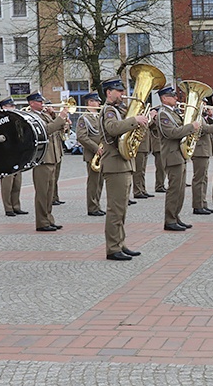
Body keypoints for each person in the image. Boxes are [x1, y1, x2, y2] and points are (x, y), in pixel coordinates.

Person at [99, 77, 151, 260]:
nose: (123, 94)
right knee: (115, 209)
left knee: (122, 209)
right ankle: (113, 248)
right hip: (114, 165)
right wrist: (134, 120)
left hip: (123, 164)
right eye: (119, 91)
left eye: (122, 90)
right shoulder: (109, 111)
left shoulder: (119, 110)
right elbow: (112, 129)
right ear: (109, 92)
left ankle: (120, 243)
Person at [153, 84, 201, 231]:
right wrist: (192, 127)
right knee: (174, 189)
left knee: (180, 190)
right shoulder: (163, 114)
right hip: (172, 156)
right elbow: (172, 133)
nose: (176, 98)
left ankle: (176, 216)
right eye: (172, 96)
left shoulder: (172, 113)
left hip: (179, 154)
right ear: (164, 98)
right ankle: (169, 220)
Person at [28, 91, 69, 232]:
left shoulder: (44, 114)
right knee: (42, 192)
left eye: (42, 101)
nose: (42, 103)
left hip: (53, 156)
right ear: (31, 103)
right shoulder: (32, 116)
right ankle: (41, 222)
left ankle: (49, 218)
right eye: (39, 101)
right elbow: (45, 130)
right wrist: (60, 117)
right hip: (43, 158)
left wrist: (56, 117)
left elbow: (57, 129)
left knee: (50, 192)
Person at [76, 92, 105, 216]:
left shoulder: (99, 116)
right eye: (96, 101)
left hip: (102, 153)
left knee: (100, 181)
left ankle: (97, 204)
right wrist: (95, 148)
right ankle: (92, 207)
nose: (98, 103)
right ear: (89, 103)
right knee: (93, 182)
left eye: (98, 101)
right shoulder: (84, 118)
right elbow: (81, 136)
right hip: (92, 153)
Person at [0, 97, 27, 217]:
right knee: (7, 184)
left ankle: (16, 206)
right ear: (4, 107)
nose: (13, 108)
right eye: (10, 106)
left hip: (16, 154)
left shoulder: (15, 119)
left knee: (17, 182)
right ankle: (8, 208)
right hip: (4, 155)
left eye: (13, 106)